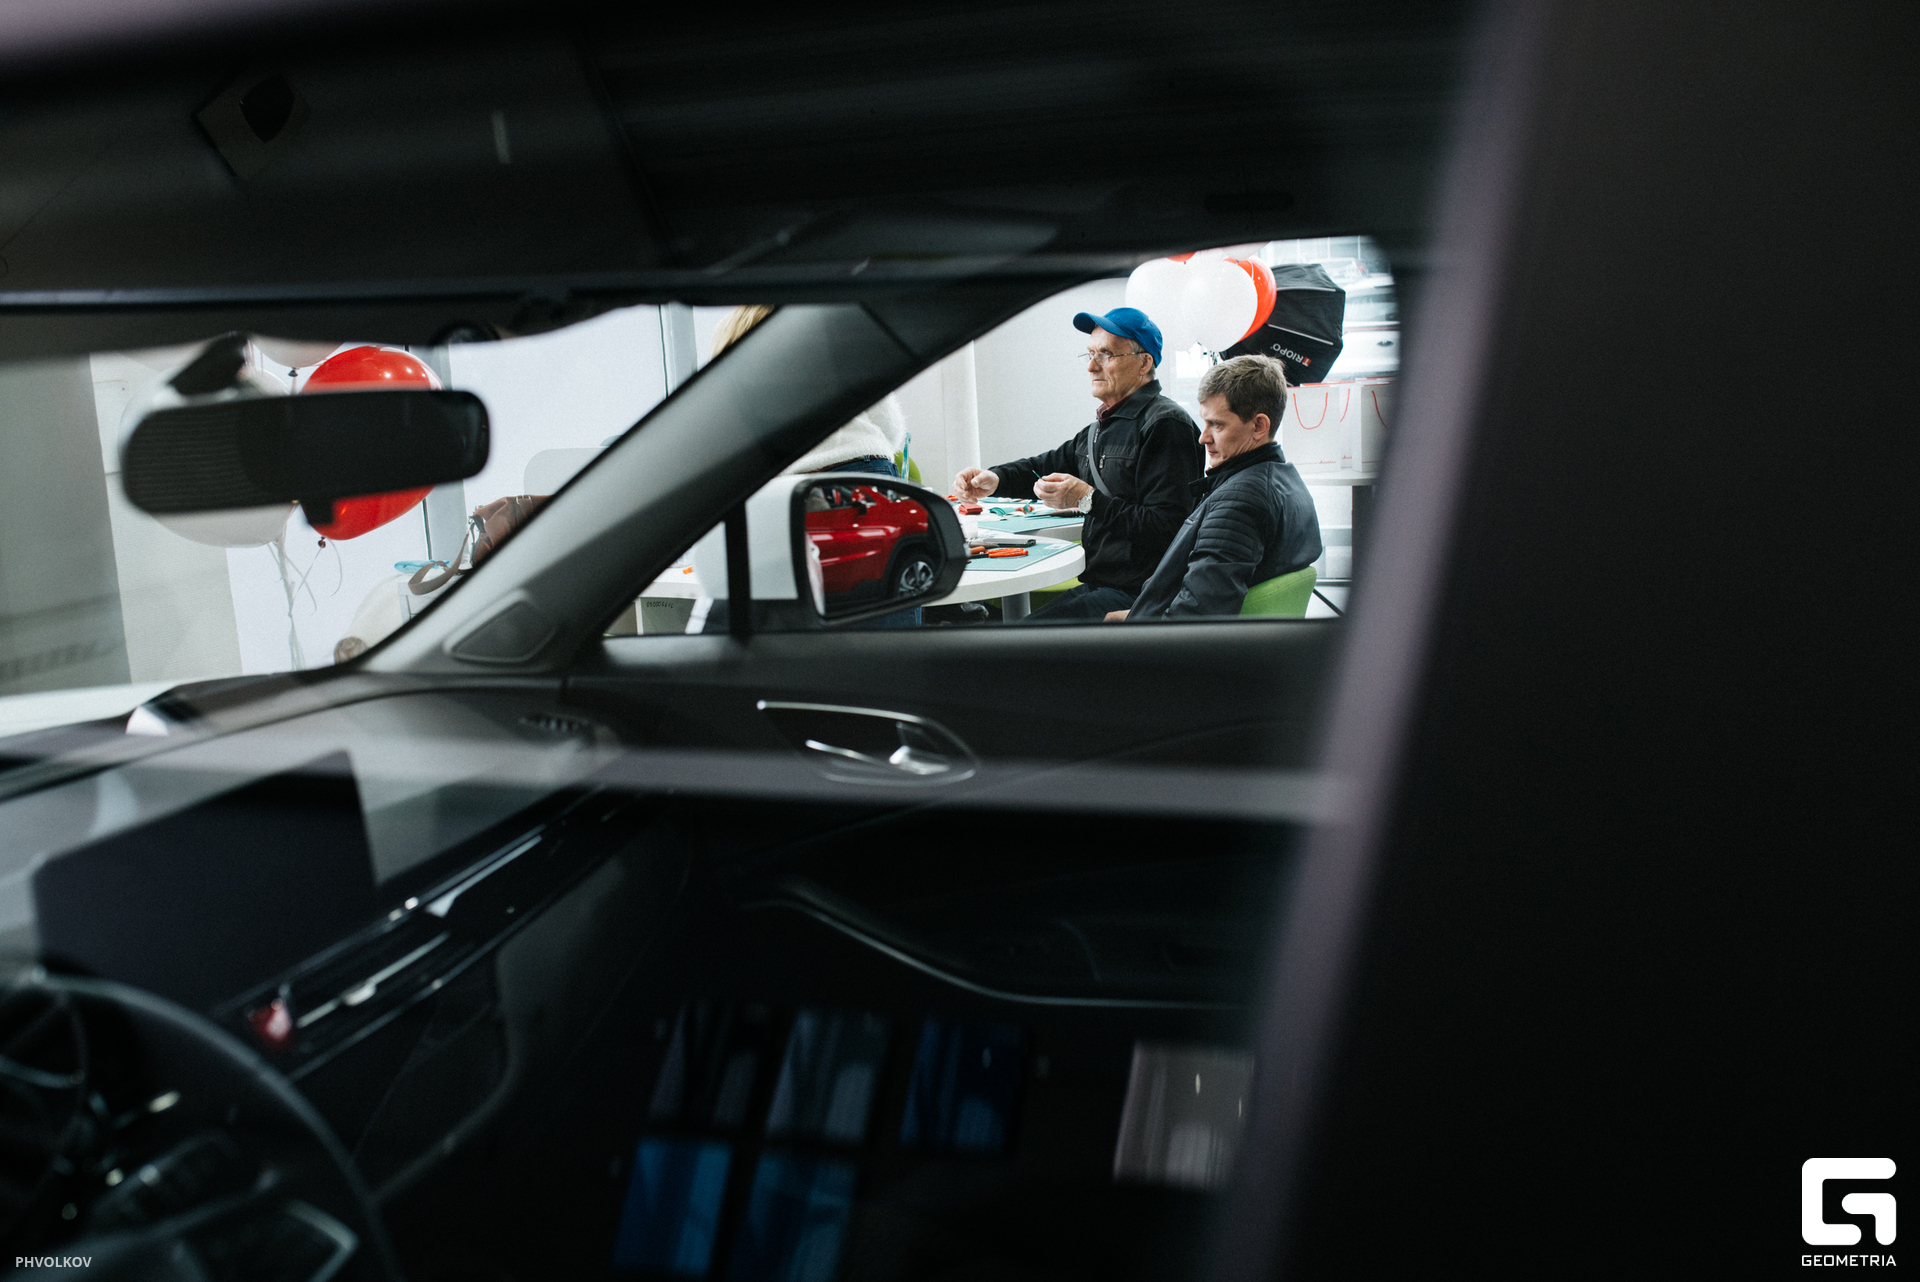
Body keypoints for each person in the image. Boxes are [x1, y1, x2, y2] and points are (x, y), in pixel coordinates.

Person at [953, 306, 1203, 622]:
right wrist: (995, 478)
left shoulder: (1166, 425)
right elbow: (1043, 466)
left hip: (1140, 597)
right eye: (1090, 354)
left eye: (1106, 355)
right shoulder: (1099, 429)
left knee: (1012, 642)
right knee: (1007, 636)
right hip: (1101, 583)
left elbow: (1166, 527)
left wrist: (1087, 499)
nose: (1091, 366)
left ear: (1144, 363)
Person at [1107, 355, 1322, 621]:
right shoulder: (1289, 482)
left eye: (1217, 425)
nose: (1203, 437)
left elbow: (1195, 619)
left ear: (1259, 426)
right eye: (1205, 422)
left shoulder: (1239, 502)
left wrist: (1132, 626)